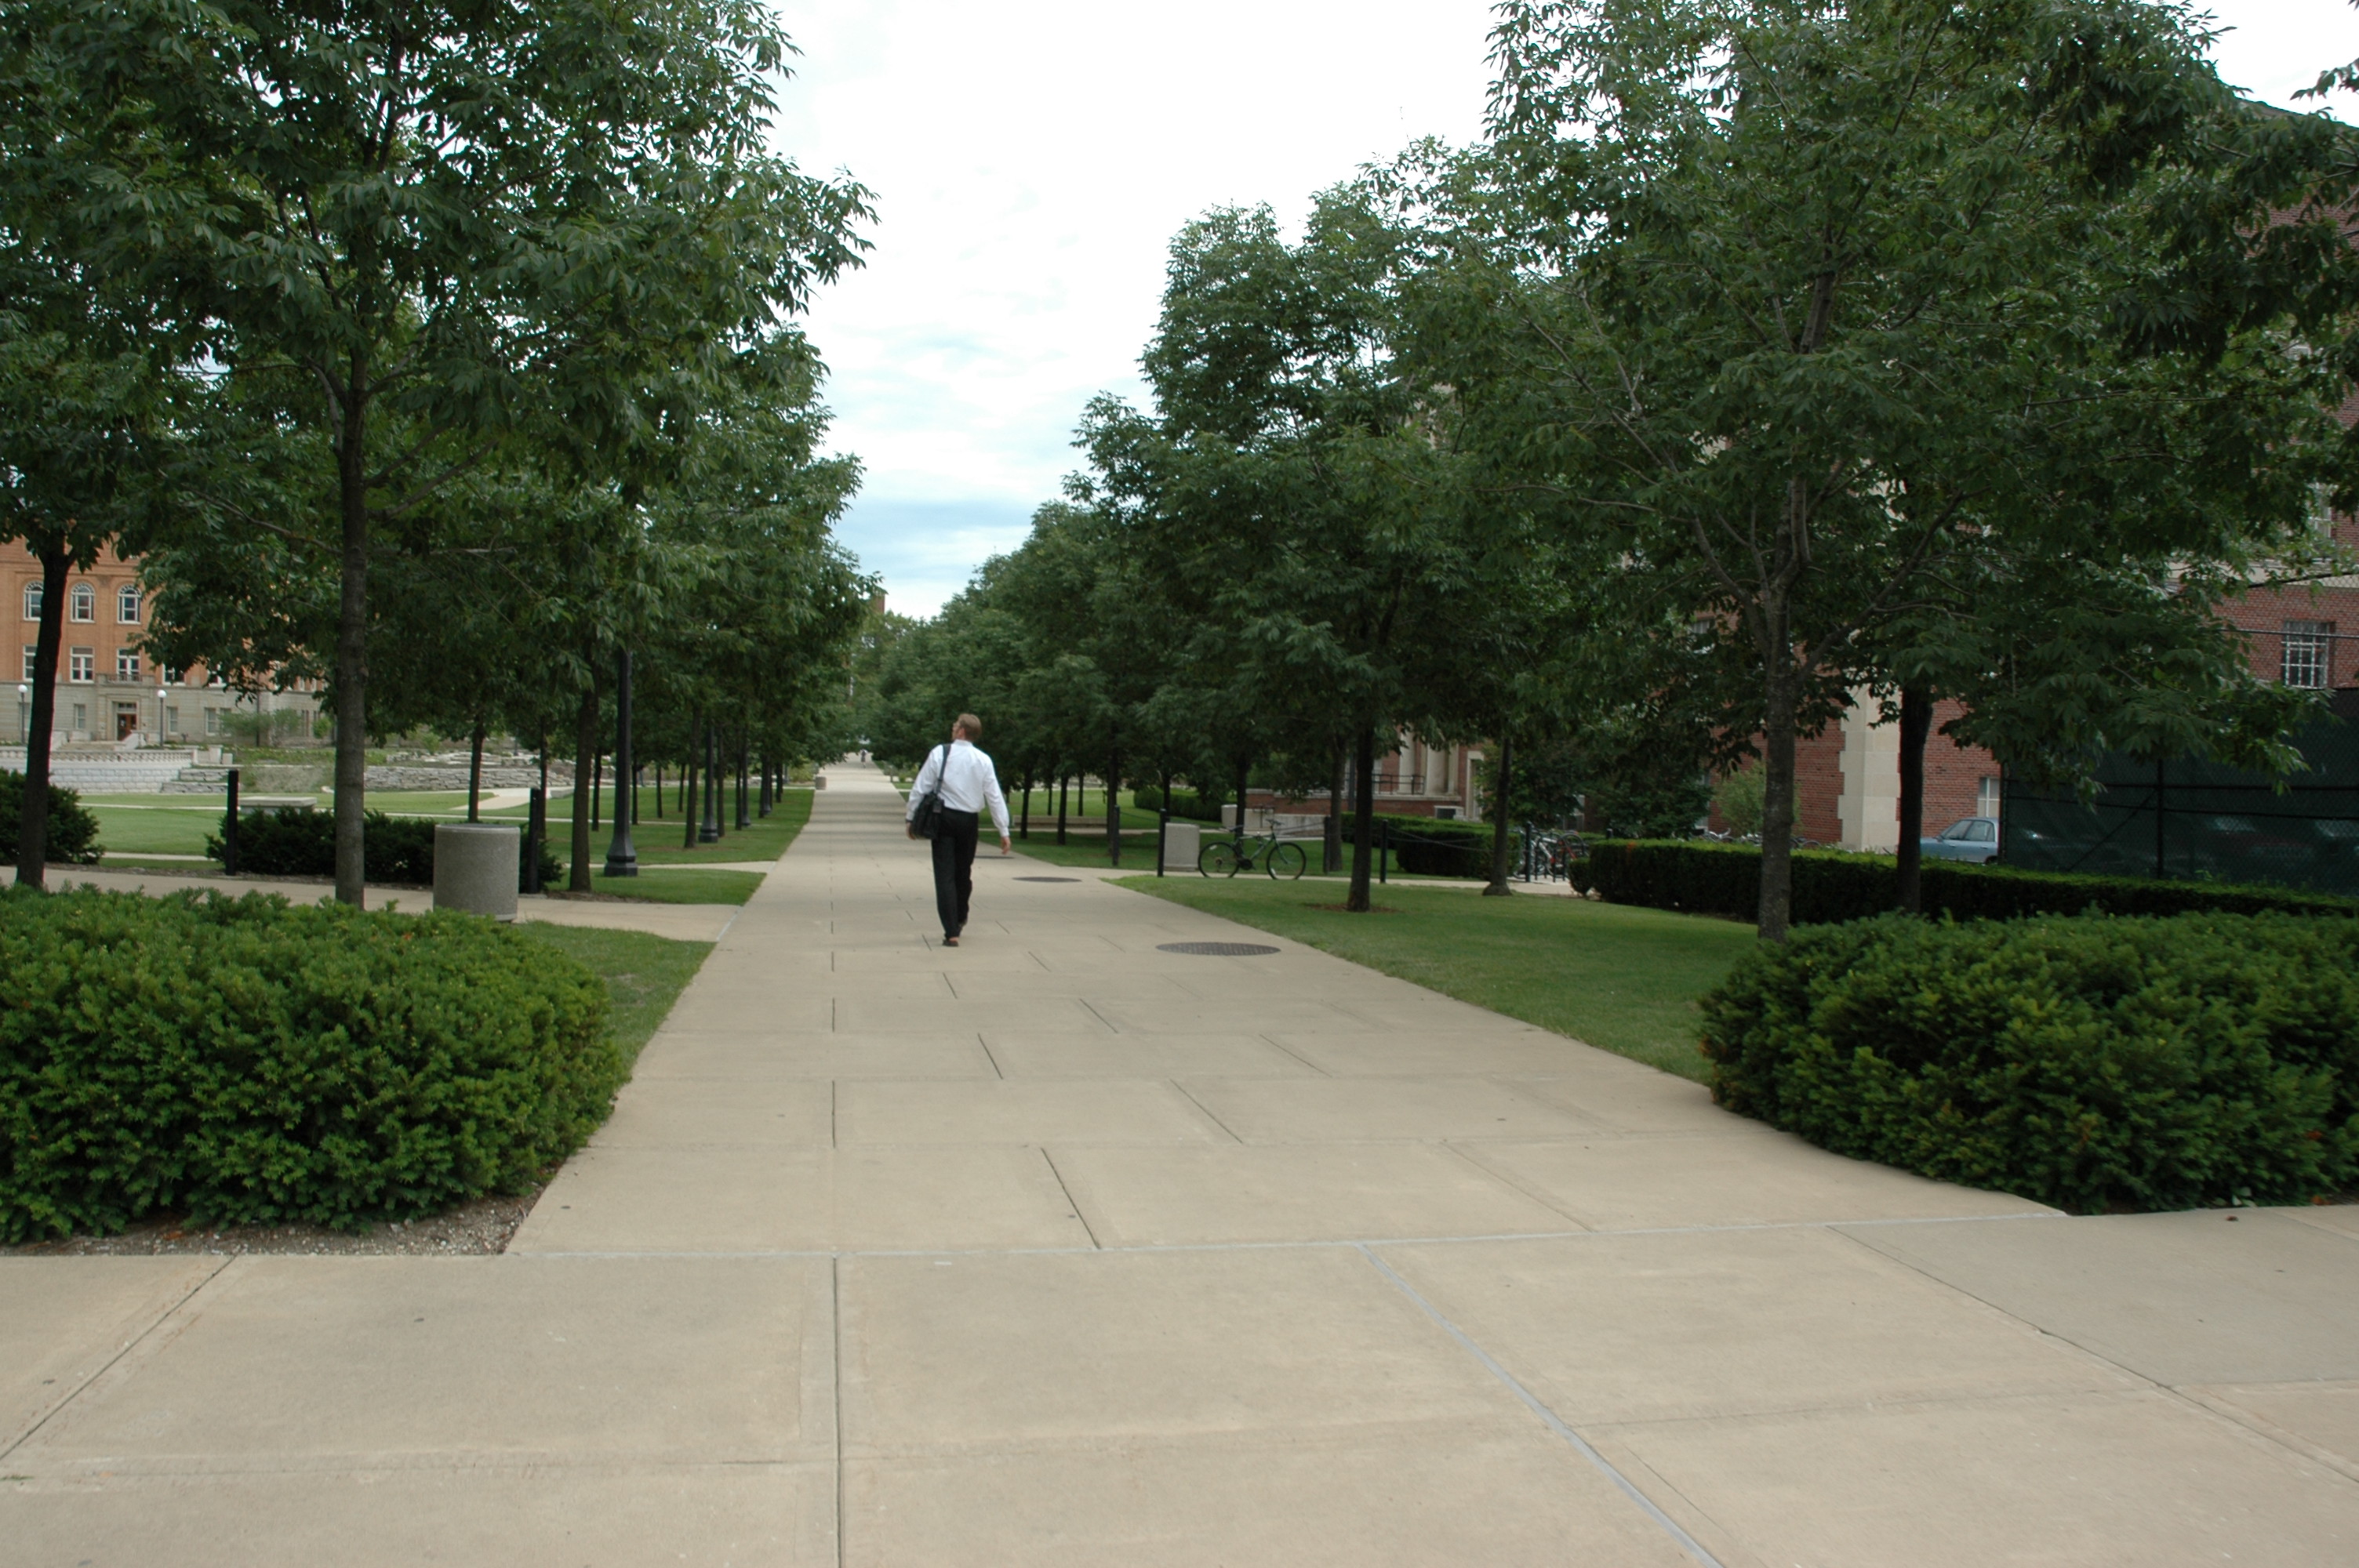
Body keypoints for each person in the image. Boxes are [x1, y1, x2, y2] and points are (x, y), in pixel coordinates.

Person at [905, 713, 1011, 947]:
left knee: (944, 875)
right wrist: (1003, 829)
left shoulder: (940, 753)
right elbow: (994, 796)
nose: (952, 728)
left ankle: (951, 930)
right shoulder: (983, 760)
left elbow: (921, 787)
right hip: (968, 822)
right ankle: (960, 915)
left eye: (955, 725)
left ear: (962, 731)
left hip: (943, 818)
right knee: (963, 873)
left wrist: (910, 817)